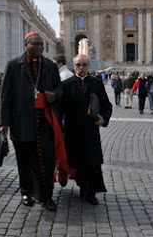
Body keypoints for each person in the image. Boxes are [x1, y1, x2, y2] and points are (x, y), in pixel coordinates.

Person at [0, 32, 75, 211]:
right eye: (36, 45)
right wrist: (3, 122)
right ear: (26, 45)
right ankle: (26, 191)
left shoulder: (49, 65)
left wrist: (55, 95)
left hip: (45, 122)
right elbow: (5, 96)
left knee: (46, 161)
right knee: (24, 160)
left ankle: (46, 195)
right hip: (21, 121)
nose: (40, 47)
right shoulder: (13, 66)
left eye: (41, 45)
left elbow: (59, 89)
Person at [61, 54, 112, 205]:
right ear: (74, 66)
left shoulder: (96, 83)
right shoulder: (66, 84)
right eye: (78, 65)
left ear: (89, 66)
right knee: (76, 161)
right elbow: (60, 108)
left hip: (90, 130)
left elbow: (106, 105)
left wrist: (104, 119)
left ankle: (90, 192)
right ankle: (80, 183)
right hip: (72, 131)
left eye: (84, 65)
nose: (81, 68)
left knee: (91, 162)